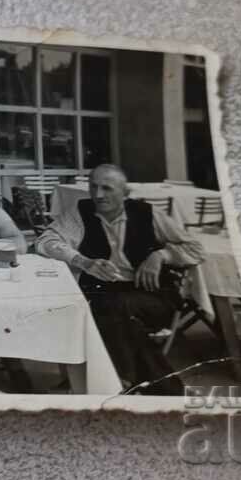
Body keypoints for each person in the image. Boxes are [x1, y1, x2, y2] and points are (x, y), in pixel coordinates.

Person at [36, 163, 205, 395]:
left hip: (150, 294)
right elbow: (45, 242)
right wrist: (83, 261)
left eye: (107, 188)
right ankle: (158, 388)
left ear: (124, 194)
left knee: (109, 309)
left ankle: (120, 382)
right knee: (115, 316)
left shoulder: (148, 213)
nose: (98, 195)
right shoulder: (81, 211)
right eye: (93, 187)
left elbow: (196, 250)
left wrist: (161, 254)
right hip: (103, 292)